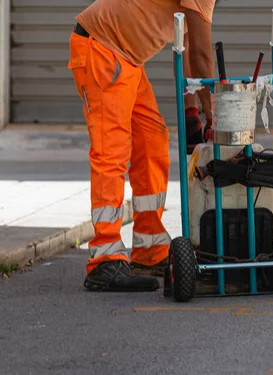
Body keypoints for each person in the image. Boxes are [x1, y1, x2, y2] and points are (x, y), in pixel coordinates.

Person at [67, 0, 216, 292]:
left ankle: (149, 248)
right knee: (112, 150)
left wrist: (191, 113)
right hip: (102, 49)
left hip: (127, 59)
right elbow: (201, 57)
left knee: (152, 141)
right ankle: (104, 259)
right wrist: (215, 116)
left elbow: (184, 50)